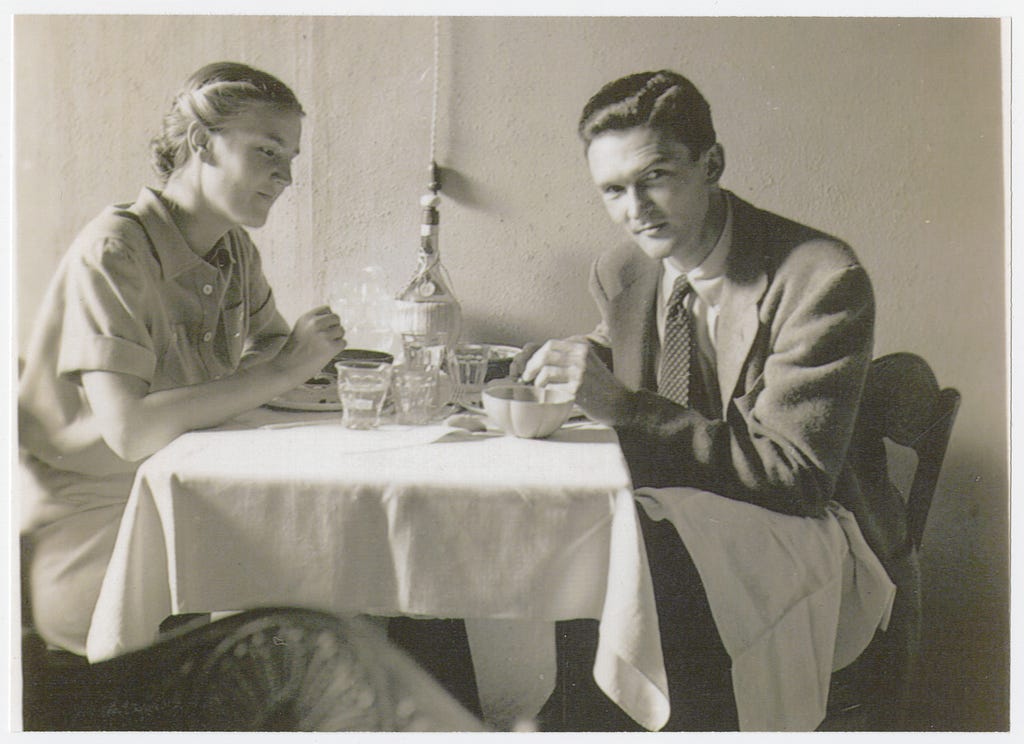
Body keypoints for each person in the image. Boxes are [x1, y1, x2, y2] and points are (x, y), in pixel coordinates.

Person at [515, 70, 910, 730]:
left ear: (713, 164)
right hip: (693, 520)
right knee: (561, 553)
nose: (634, 208)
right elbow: (623, 354)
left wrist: (620, 406)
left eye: (657, 176)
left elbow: (795, 475)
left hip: (810, 534)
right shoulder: (624, 270)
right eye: (613, 190)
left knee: (611, 580)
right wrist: (556, 373)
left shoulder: (820, 277)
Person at [19, 61, 347, 661]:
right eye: (267, 151)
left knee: (357, 586)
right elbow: (130, 430)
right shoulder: (114, 249)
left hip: (184, 508)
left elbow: (270, 344)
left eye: (291, 158)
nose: (286, 176)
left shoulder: (231, 247)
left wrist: (297, 357)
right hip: (104, 545)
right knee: (330, 623)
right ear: (202, 143)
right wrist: (281, 370)